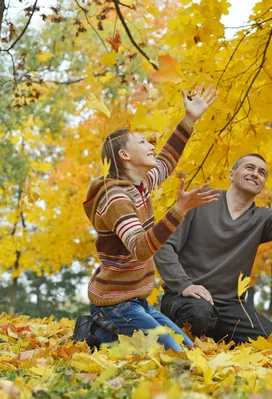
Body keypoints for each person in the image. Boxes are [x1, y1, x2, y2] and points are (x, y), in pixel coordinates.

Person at [75, 84, 219, 352]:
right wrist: (179, 211)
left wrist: (189, 119)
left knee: (187, 349)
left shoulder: (139, 184)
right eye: (142, 142)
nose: (150, 145)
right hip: (114, 303)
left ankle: (107, 335)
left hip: (137, 300)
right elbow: (141, 249)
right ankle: (97, 329)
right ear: (125, 155)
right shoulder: (116, 199)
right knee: (176, 356)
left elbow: (167, 160)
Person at [154, 154, 272, 344]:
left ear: (262, 185)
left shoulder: (261, 219)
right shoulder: (200, 202)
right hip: (184, 298)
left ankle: (217, 342)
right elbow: (163, 246)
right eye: (250, 168)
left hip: (229, 307)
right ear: (231, 175)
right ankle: (178, 345)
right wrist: (184, 285)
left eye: (261, 172)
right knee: (199, 314)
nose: (256, 174)